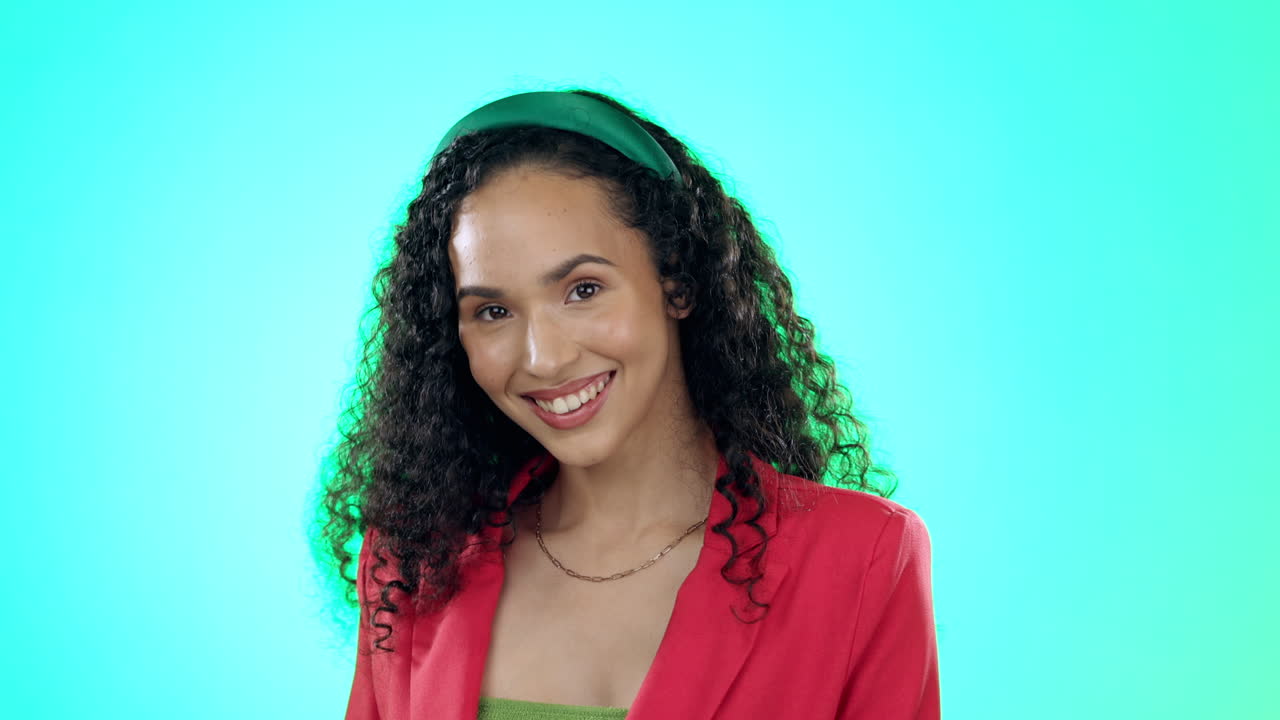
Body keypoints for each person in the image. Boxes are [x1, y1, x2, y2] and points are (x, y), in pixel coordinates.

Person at [315, 89, 940, 720]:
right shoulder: (414, 561)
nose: (543, 358)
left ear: (677, 282)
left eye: (583, 289)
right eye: (493, 311)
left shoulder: (864, 560)